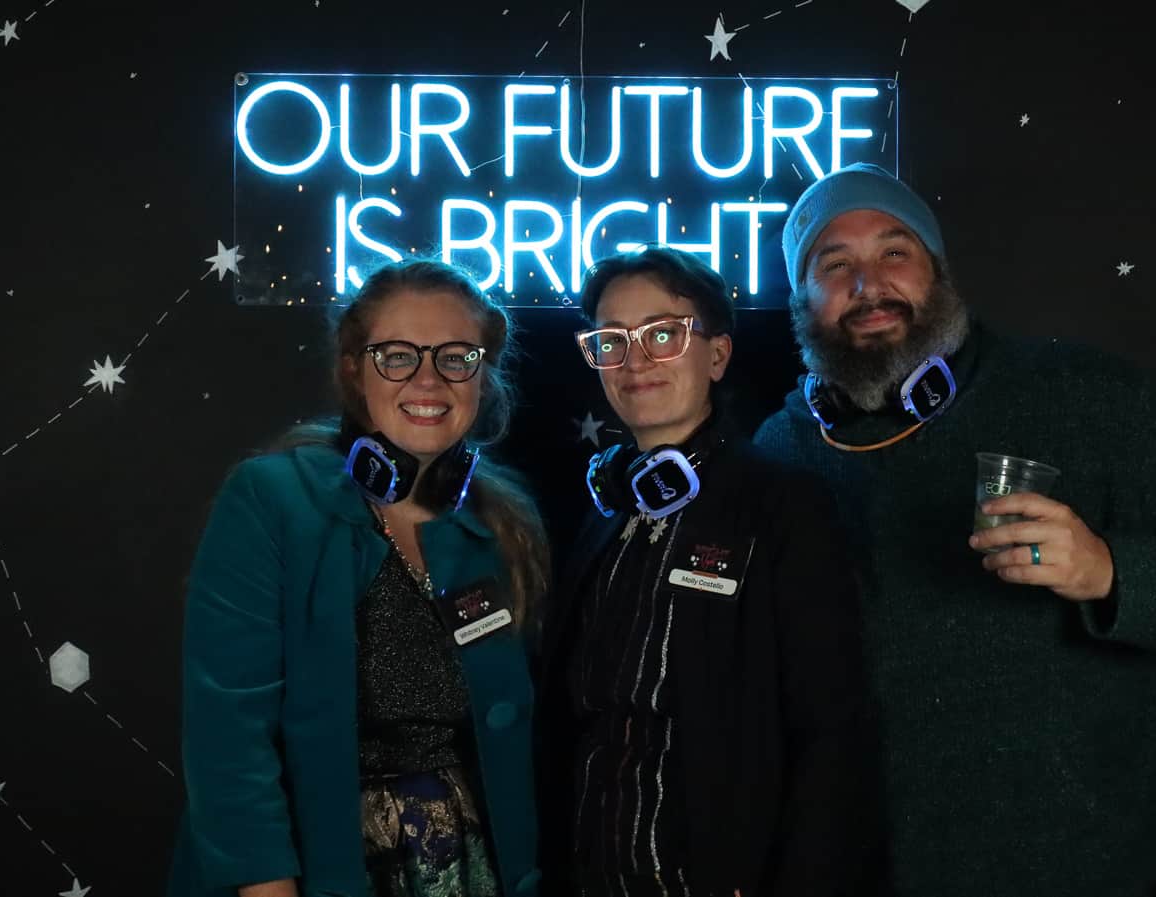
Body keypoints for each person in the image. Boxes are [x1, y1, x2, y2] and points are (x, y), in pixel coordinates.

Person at [752, 162, 1156, 897]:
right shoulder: (781, 450)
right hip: (869, 870)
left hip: (1087, 870)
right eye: (833, 264)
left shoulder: (1084, 392)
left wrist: (1109, 571)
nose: (868, 284)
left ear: (938, 271)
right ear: (802, 301)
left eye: (894, 251)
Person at [167, 259, 550, 897]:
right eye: (396, 356)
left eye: (456, 357)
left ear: (482, 376)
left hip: (466, 868)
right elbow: (228, 738)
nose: (428, 379)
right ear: (353, 369)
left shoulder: (504, 522)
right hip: (319, 868)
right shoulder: (271, 499)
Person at [534, 246, 872, 897]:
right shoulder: (604, 512)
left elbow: (833, 730)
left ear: (716, 355)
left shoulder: (784, 506)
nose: (635, 361)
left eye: (663, 334)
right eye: (612, 341)